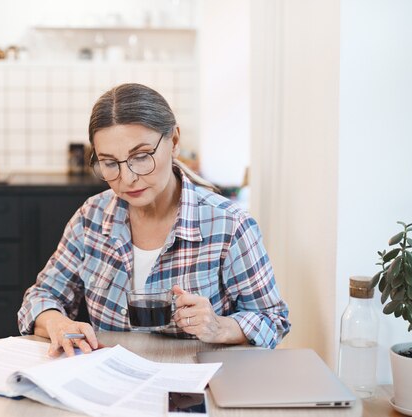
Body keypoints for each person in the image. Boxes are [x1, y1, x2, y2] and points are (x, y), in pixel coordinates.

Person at [17, 83, 290, 357]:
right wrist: (56, 321)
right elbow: (41, 296)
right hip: (111, 385)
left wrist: (219, 326)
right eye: (110, 163)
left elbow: (273, 320)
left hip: (193, 385)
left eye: (141, 156)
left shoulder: (229, 225)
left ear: (173, 142)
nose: (128, 178)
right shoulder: (92, 217)